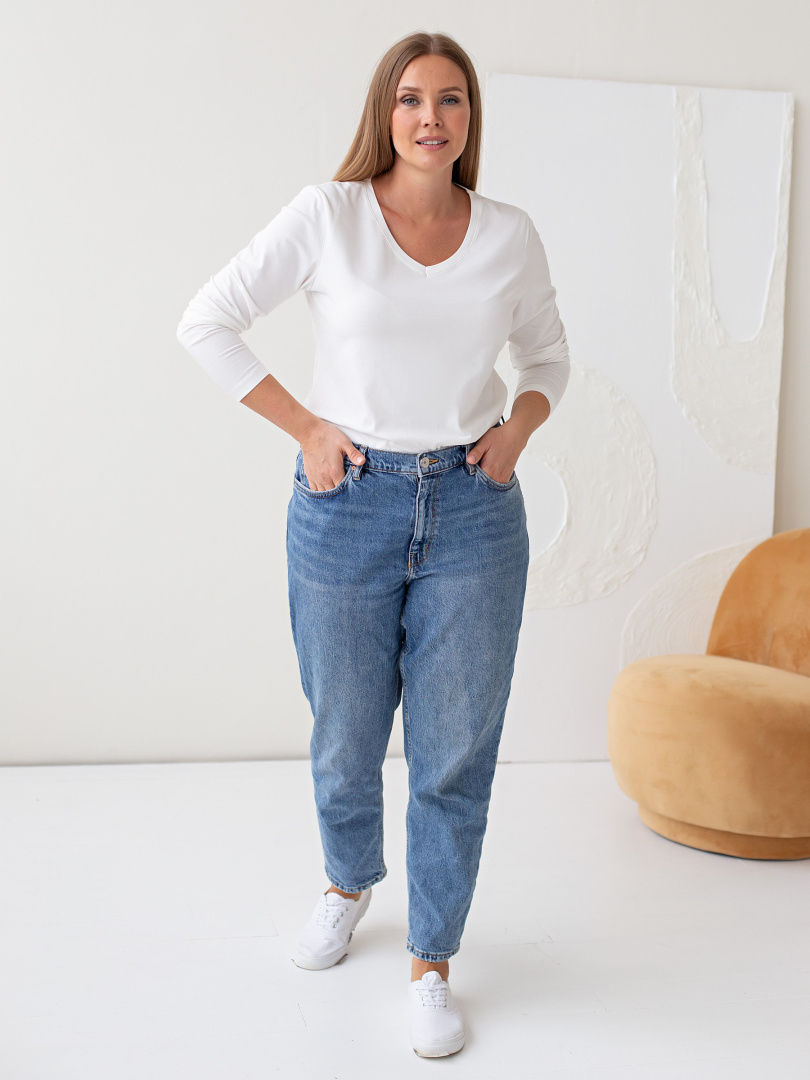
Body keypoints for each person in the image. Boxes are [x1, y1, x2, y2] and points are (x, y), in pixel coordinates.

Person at [176, 29, 570, 1058]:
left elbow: (548, 360)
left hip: (475, 510)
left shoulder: (509, 234)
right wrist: (306, 427)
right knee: (346, 733)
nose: (431, 117)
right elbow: (207, 321)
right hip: (346, 502)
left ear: (471, 117)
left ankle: (432, 962)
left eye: (450, 99)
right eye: (410, 99)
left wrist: (518, 430)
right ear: (384, 114)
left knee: (455, 751)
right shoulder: (330, 215)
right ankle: (347, 884)